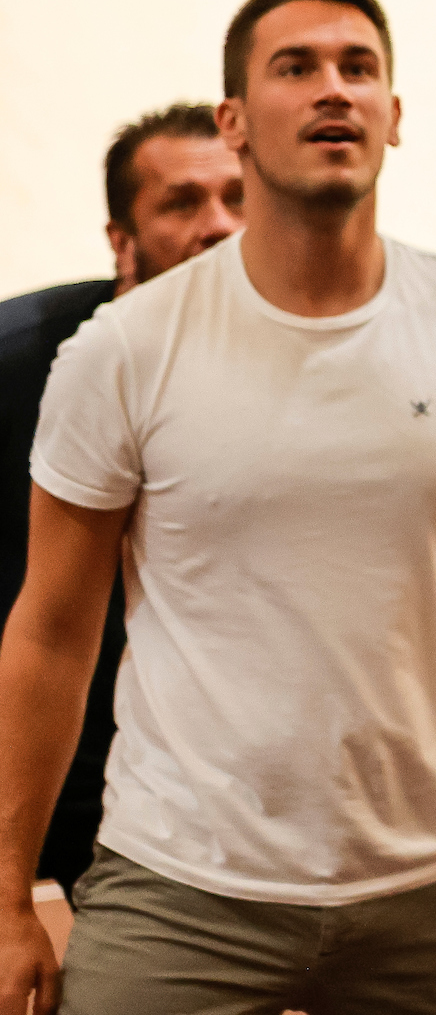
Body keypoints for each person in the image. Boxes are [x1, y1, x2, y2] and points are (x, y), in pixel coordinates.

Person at [0, 0, 436, 1015]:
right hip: (179, 885)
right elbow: (51, 630)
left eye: (358, 67)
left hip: (433, 887)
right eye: (295, 67)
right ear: (236, 121)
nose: (333, 88)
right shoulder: (121, 351)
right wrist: (5, 899)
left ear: (395, 114)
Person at [0, 105, 243, 903]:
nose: (218, 225)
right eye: (183, 203)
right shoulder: (23, 358)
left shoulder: (295, 362)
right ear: (121, 239)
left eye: (237, 198)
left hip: (166, 767)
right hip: (32, 724)